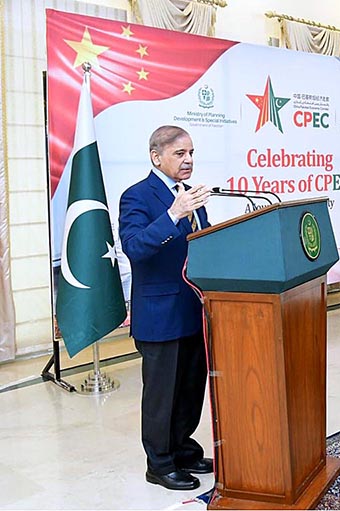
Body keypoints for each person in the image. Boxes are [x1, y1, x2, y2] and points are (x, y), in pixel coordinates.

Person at [119, 126, 213, 491]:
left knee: (190, 388)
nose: (188, 160)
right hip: (159, 315)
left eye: (191, 153)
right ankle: (159, 463)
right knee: (162, 395)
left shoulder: (191, 194)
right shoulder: (137, 197)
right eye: (180, 154)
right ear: (156, 156)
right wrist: (174, 214)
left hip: (194, 310)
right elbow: (136, 248)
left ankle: (183, 450)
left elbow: (202, 244)